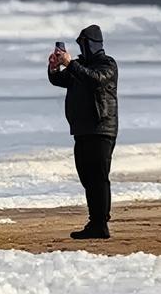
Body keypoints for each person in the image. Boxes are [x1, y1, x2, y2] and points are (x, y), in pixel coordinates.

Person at [48, 25, 118, 239]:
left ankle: (101, 224)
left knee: (99, 177)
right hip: (81, 130)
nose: (82, 48)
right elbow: (59, 80)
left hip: (101, 128)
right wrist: (54, 68)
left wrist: (70, 63)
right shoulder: (79, 66)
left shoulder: (107, 64)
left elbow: (94, 80)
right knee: (87, 177)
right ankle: (94, 222)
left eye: (84, 44)